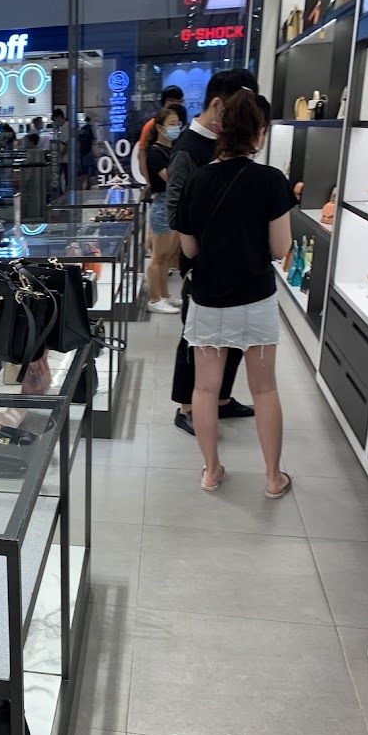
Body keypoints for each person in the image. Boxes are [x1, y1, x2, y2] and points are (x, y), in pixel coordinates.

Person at [177, 87, 295, 497]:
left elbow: (188, 248)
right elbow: (280, 248)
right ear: (259, 133)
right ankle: (272, 477)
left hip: (208, 300)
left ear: (221, 128)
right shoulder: (271, 181)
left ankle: (211, 471)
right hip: (255, 299)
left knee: (205, 389)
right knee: (264, 389)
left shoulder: (196, 181)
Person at [166, 67, 259, 436]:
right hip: (200, 263)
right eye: (238, 111)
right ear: (217, 105)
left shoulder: (224, 145)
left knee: (233, 336)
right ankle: (187, 406)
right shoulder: (188, 150)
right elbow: (175, 210)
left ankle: (220, 400)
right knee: (195, 337)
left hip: (234, 263)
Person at [145, 107, 183, 314]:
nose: (175, 127)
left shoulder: (174, 149)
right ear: (160, 128)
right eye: (171, 124)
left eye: (177, 123)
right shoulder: (155, 152)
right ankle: (154, 298)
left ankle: (165, 295)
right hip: (162, 205)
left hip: (174, 204)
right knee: (158, 256)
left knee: (168, 256)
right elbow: (171, 177)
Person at [137, 85, 184, 185]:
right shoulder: (151, 125)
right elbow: (142, 154)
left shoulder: (183, 124)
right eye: (171, 101)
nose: (175, 104)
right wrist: (148, 183)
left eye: (178, 101)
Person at [50, 108, 68, 194]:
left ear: (59, 117)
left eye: (56, 119)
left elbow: (67, 144)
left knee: (65, 178)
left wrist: (61, 154)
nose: (56, 122)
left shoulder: (67, 126)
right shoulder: (60, 128)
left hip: (66, 159)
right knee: (60, 178)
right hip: (62, 159)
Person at [78, 115, 96, 190]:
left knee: (84, 170)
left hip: (83, 151)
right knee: (91, 168)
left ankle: (83, 186)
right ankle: (89, 184)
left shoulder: (82, 129)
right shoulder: (90, 129)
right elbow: (93, 140)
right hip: (88, 151)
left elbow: (79, 140)